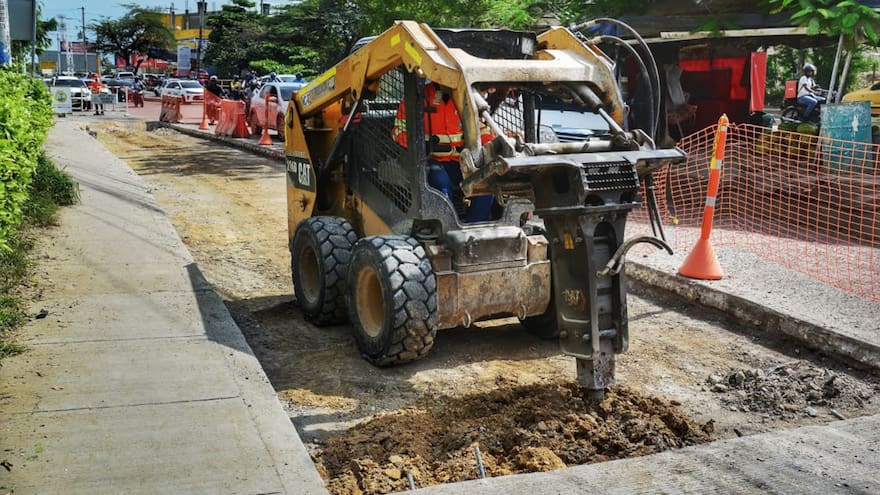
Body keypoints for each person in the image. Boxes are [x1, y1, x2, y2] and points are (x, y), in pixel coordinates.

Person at [392, 82, 495, 222]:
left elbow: (481, 129)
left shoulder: (465, 98)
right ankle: (447, 227)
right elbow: (398, 130)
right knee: (441, 184)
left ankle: (476, 225)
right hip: (430, 161)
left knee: (485, 180)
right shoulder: (416, 98)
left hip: (461, 161)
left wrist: (491, 144)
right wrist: (420, 144)